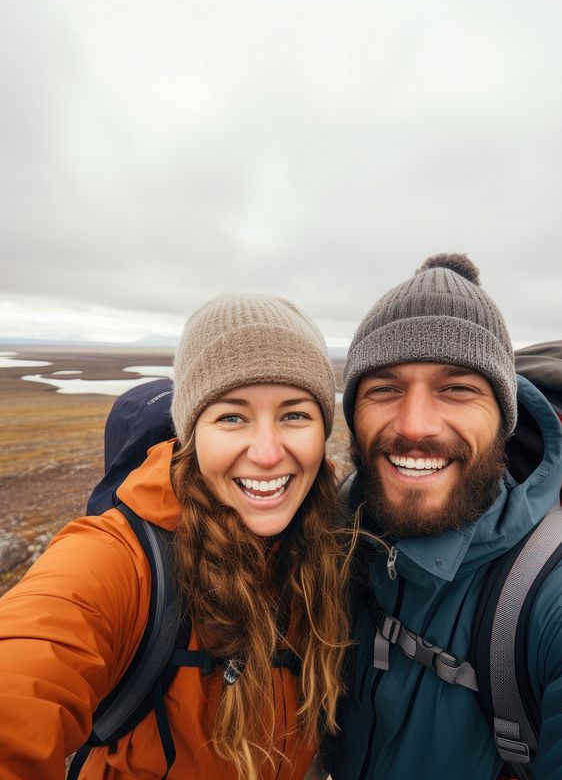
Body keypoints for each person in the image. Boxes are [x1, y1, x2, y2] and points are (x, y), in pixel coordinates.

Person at [0, 294, 352, 780]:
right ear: (190, 433)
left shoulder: (339, 541)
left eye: (294, 415)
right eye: (232, 416)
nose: (269, 454)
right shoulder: (121, 558)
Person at [324, 253, 562, 780]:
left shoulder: (548, 601)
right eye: (384, 389)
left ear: (505, 417)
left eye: (458, 389)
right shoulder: (332, 539)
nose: (414, 425)